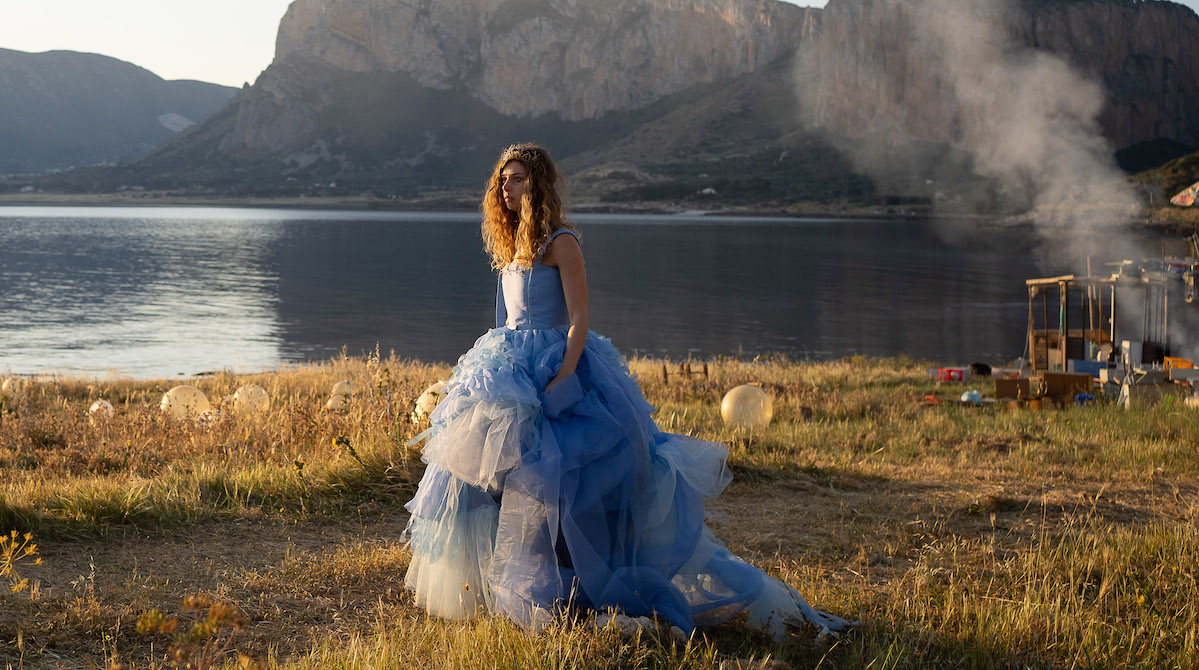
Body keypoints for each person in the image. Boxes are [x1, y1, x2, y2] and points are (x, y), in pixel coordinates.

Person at [402, 143, 852, 640]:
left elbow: (579, 320)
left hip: (560, 368)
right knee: (487, 478)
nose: (505, 188)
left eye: (516, 179)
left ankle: (581, 583)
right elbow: (505, 319)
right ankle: (516, 583)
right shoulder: (511, 246)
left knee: (566, 484)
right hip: (510, 370)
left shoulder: (562, 242)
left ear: (539, 185)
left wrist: (563, 377)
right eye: (502, 180)